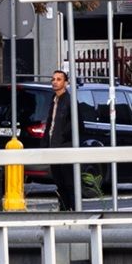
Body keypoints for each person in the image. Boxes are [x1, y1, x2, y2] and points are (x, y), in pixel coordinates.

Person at [39, 68, 82, 215]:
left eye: (59, 79)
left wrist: (64, 139)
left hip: (64, 148)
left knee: (69, 182)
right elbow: (50, 123)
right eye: (53, 79)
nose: (55, 82)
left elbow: (77, 125)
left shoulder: (69, 101)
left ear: (66, 83)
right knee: (59, 182)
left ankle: (74, 212)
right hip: (54, 147)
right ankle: (64, 211)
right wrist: (45, 144)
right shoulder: (54, 100)